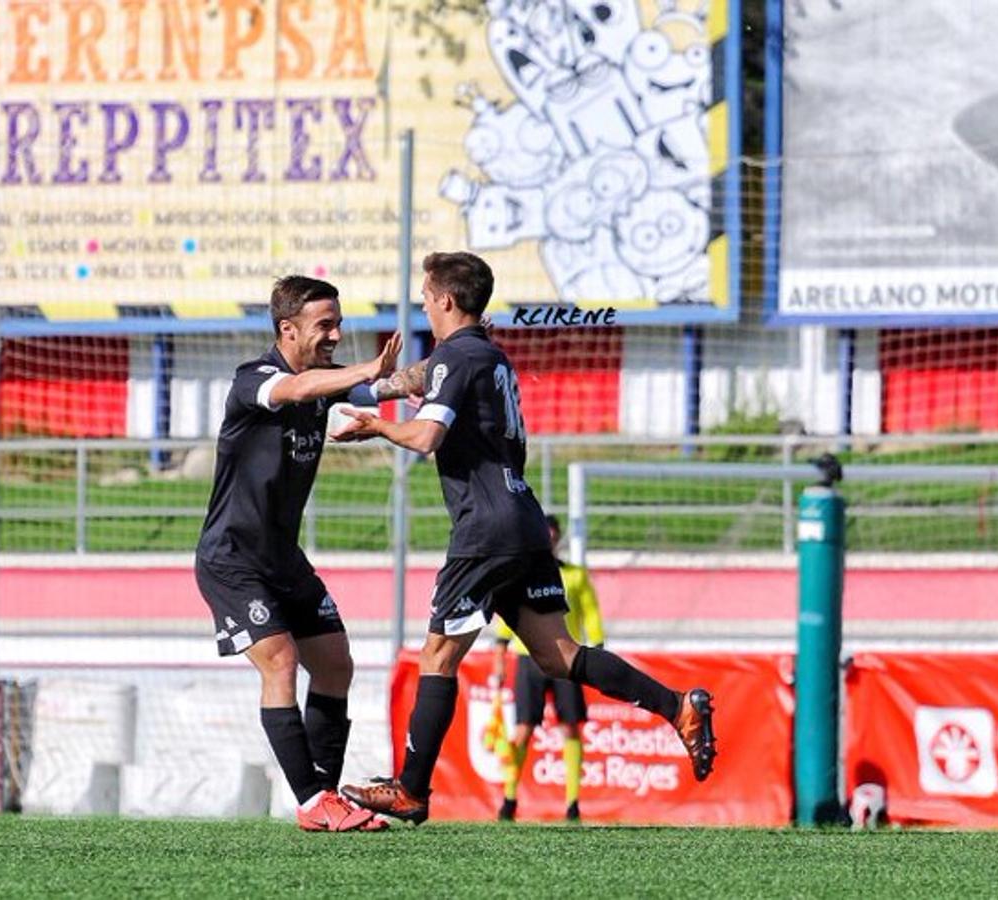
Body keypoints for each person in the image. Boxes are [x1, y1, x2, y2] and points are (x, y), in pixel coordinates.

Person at [332, 251, 716, 825]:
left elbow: (427, 436)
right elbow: (418, 378)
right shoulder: (484, 355)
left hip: (485, 530)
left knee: (438, 654)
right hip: (524, 522)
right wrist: (361, 385)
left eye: (425, 294)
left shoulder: (457, 357)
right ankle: (676, 705)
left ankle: (411, 790)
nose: (421, 303)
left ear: (444, 300)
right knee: (557, 655)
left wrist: (377, 425)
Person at [195, 274, 416, 832]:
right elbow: (293, 391)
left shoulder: (325, 383)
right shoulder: (256, 380)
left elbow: (390, 388)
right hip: (233, 558)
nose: (336, 334)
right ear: (287, 329)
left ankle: (326, 797)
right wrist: (366, 371)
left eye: (338, 323)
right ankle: (314, 802)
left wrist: (451, 361)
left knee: (336, 665)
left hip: (282, 558)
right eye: (325, 325)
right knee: (281, 662)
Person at [492, 514, 604, 823]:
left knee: (570, 726)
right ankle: (510, 797)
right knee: (523, 730)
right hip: (528, 658)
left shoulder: (575, 576)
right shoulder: (520, 573)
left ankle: (572, 803)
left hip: (567, 659)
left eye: (553, 534)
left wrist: (597, 647)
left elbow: (591, 613)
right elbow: (505, 622)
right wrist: (499, 661)